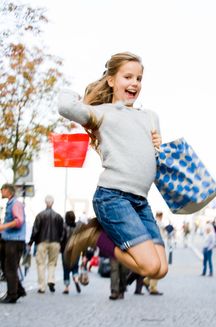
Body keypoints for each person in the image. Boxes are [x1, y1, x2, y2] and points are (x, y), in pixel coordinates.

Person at [58, 52, 168, 282]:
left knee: (161, 269)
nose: (134, 83)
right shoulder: (102, 114)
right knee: (149, 267)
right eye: (128, 77)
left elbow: (151, 159)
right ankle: (94, 236)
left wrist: (158, 145)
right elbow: (65, 106)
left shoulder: (150, 117)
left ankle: (97, 235)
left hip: (140, 201)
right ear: (111, 80)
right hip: (113, 198)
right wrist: (75, 93)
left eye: (138, 79)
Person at [28, 195, 63, 293]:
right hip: (55, 242)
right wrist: (60, 241)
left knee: (41, 264)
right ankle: (51, 280)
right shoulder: (58, 217)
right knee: (52, 263)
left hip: (42, 241)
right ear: (53, 203)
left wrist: (31, 242)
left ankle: (41, 286)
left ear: (45, 202)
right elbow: (62, 232)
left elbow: (35, 230)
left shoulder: (40, 215)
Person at [0, 183, 26, 303]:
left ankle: (12, 295)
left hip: (14, 241)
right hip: (9, 239)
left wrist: (4, 226)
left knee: (10, 268)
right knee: (9, 267)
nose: (1, 192)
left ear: (7, 190)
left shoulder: (16, 204)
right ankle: (18, 290)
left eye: (2, 190)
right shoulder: (11, 203)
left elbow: (19, 220)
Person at [60, 211, 81, 294]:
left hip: (66, 250)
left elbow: (61, 238)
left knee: (66, 268)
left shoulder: (64, 226)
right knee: (75, 267)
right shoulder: (78, 227)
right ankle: (76, 278)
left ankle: (66, 287)